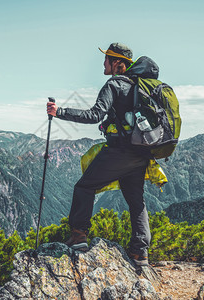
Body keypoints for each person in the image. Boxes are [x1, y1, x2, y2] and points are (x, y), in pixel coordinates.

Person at [46, 43, 155, 266]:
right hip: (142, 152)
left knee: (84, 186)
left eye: (106, 59)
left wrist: (60, 112)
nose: (103, 63)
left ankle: (79, 237)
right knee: (136, 201)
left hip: (120, 151)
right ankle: (140, 252)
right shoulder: (140, 86)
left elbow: (94, 114)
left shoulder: (114, 84)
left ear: (117, 63)